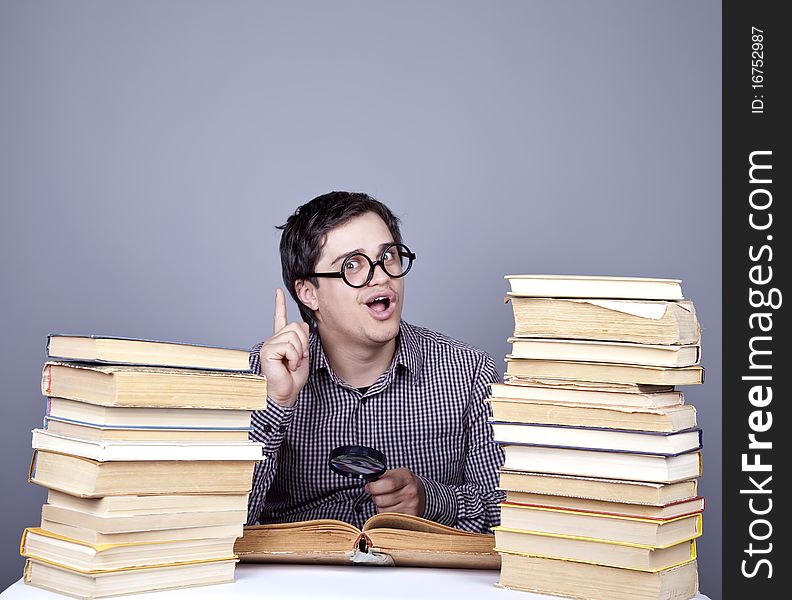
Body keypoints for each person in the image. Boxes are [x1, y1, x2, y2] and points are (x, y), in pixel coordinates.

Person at [247, 191, 504, 533]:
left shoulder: (470, 373)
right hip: (295, 580)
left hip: (425, 582)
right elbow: (222, 520)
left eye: (389, 257)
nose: (381, 276)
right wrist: (276, 403)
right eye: (352, 264)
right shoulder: (263, 371)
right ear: (309, 293)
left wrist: (432, 501)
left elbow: (510, 518)